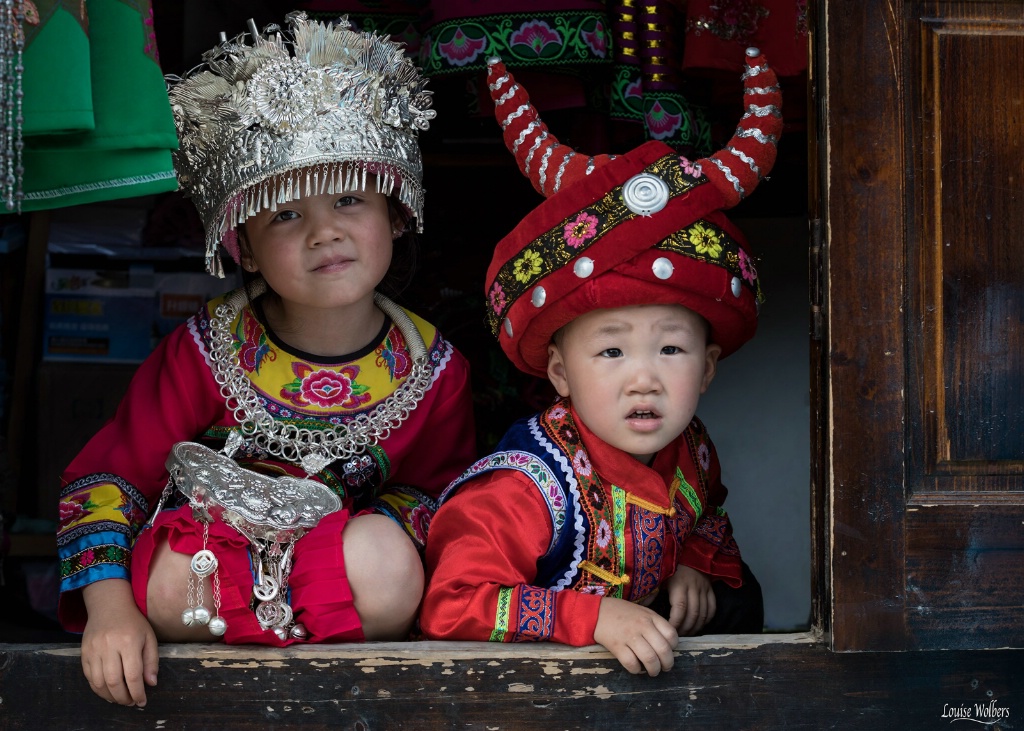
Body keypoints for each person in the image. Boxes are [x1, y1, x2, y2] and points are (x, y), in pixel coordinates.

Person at [56, 12, 476, 708]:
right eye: (285, 214)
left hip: (347, 581)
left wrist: (363, 535)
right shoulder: (202, 350)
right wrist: (110, 612)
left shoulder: (434, 368)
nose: (325, 232)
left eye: (350, 198)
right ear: (242, 246)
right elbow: (106, 480)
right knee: (165, 577)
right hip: (203, 580)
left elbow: (443, 499)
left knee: (388, 558)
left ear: (397, 215)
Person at [420, 48, 782, 676]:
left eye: (671, 349)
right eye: (611, 351)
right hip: (532, 696)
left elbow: (707, 510)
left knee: (736, 594)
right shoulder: (525, 490)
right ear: (559, 373)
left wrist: (694, 564)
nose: (644, 377)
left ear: (708, 367)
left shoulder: (690, 448)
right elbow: (450, 603)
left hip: (644, 635)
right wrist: (593, 618)